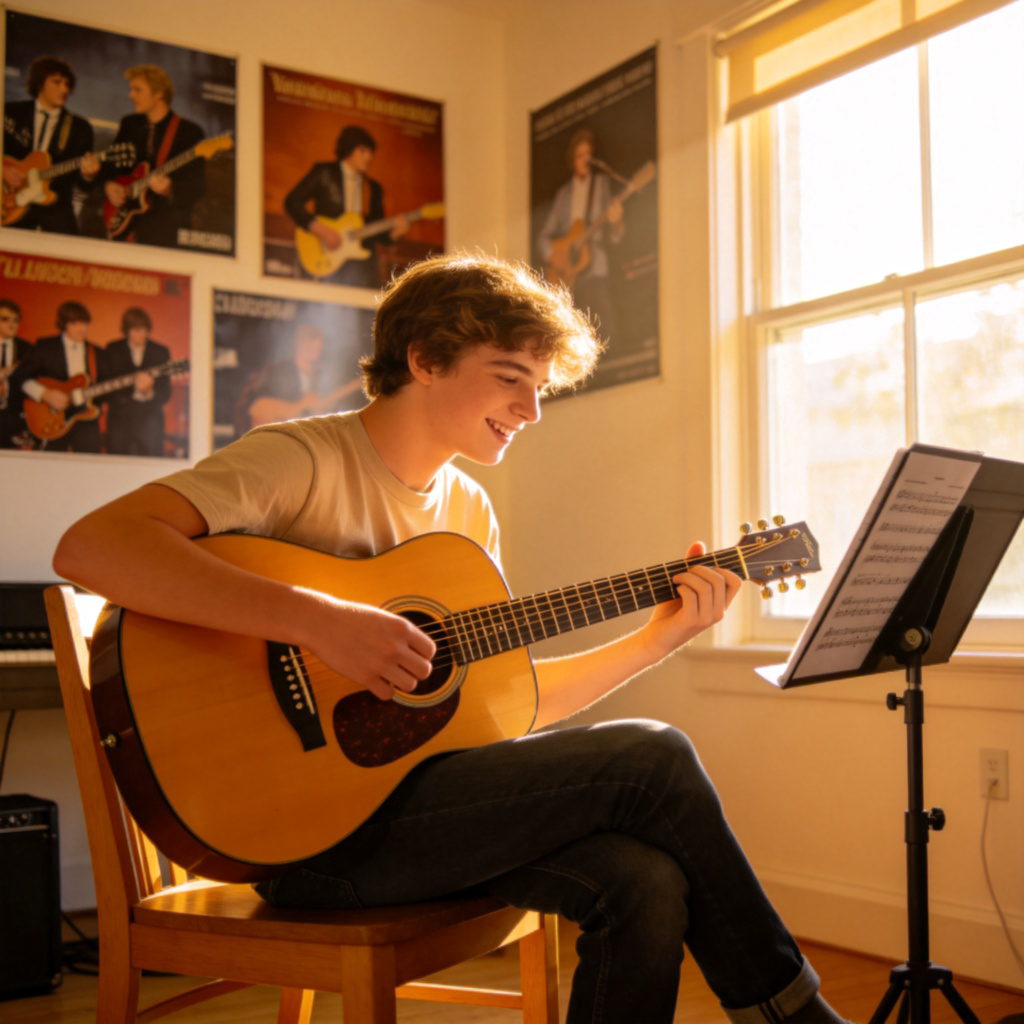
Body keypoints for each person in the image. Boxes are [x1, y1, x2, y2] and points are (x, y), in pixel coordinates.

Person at [52, 252, 849, 1024]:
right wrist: (320, 622)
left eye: (539, 387)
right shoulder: (300, 459)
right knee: (656, 752)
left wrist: (655, 641)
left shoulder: (466, 512)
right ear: (426, 359)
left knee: (642, 879)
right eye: (510, 377)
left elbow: (498, 710)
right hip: (302, 845)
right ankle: (796, 1015)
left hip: (419, 817)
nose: (532, 410)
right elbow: (91, 547)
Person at [284, 124, 408, 288]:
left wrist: (395, 233)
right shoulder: (324, 173)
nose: (368, 157)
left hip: (362, 265)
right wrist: (320, 229)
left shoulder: (373, 188)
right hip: (327, 256)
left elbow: (377, 230)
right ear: (349, 149)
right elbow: (292, 202)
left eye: (370, 152)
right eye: (363, 151)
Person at [101, 65, 205, 247]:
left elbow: (198, 186)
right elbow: (110, 166)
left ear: (159, 93)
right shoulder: (129, 124)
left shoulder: (189, 131)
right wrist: (108, 185)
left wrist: (170, 188)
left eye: (137, 90)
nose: (130, 95)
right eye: (131, 89)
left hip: (164, 229)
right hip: (124, 220)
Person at [536, 127, 624, 340]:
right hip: (569, 272)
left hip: (595, 266)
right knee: (571, 332)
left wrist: (616, 223)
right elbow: (543, 236)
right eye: (580, 155)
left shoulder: (601, 184)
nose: (585, 159)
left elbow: (616, 235)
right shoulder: (563, 194)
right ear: (572, 160)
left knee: (605, 327)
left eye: (588, 154)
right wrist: (552, 255)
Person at [2, 56, 99, 235]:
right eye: (57, 82)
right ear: (39, 82)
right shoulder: (9, 112)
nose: (64, 89)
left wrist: (88, 176)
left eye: (67, 84)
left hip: (55, 212)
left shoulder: (80, 127)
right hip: (9, 206)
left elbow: (83, 185)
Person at [234, 323, 361, 434]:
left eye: (319, 349)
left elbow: (314, 407)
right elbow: (256, 406)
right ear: (301, 344)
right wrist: (289, 411)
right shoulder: (278, 371)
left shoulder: (318, 376)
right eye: (314, 348)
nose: (317, 352)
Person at [15, 300, 105, 453]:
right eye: (75, 323)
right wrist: (44, 394)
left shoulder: (98, 352)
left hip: (86, 423)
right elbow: (19, 376)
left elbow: (107, 389)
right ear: (64, 323)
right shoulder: (45, 346)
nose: (82, 329)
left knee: (90, 464)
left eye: (85, 323)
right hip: (51, 420)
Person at [101, 307, 173, 457]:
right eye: (137, 330)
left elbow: (166, 393)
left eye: (145, 329)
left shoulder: (160, 352)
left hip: (150, 422)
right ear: (127, 330)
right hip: (119, 421)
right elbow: (105, 389)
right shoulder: (112, 349)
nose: (142, 334)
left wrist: (149, 391)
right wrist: (127, 393)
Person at [0, 299, 32, 448]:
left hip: (14, 421)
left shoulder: (28, 349)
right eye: (5, 319)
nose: (12, 324)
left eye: (16, 320)